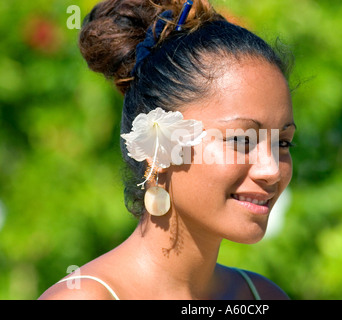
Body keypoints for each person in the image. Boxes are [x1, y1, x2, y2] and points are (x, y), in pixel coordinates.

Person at [39, 0, 295, 300]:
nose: (272, 169)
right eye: (240, 140)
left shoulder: (261, 296)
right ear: (157, 146)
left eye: (282, 142)